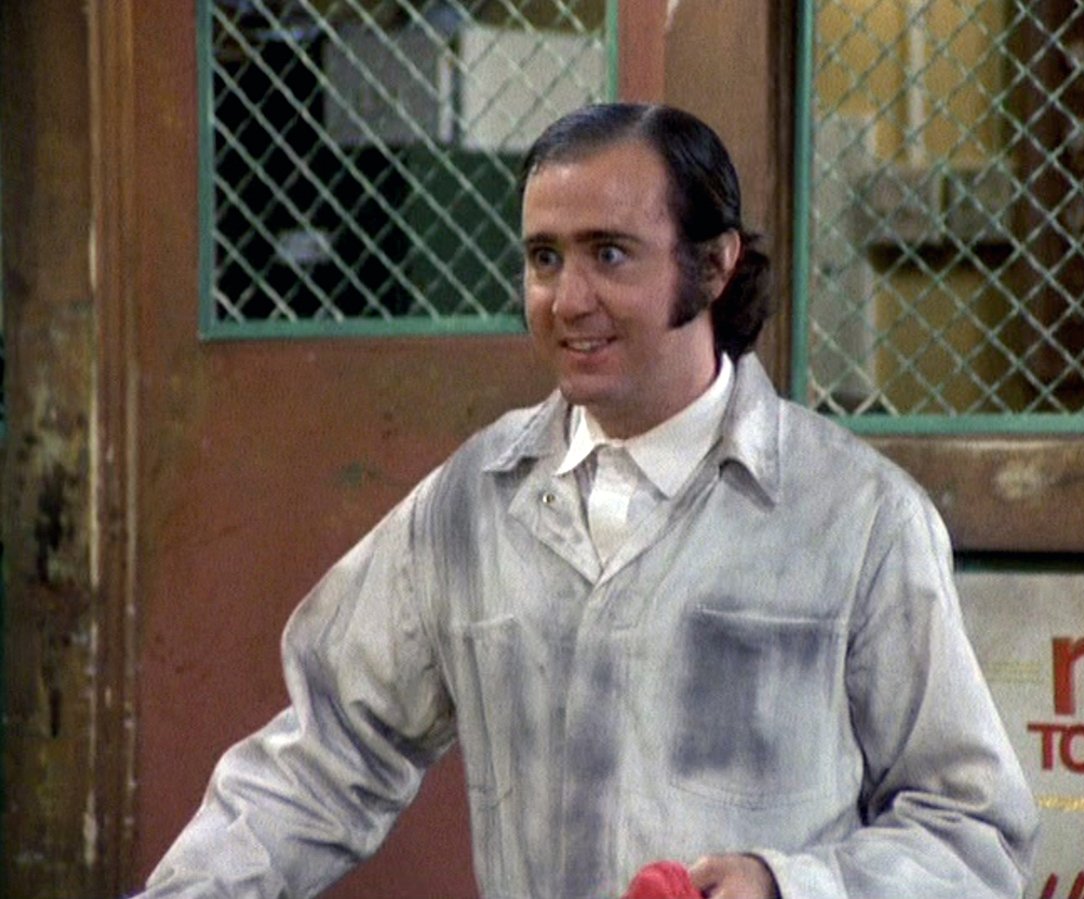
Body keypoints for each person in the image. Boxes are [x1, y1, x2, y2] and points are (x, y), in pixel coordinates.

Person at [138, 103, 1038, 898]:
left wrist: (786, 884)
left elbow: (973, 831)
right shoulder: (470, 508)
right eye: (544, 258)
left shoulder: (858, 518)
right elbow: (325, 755)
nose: (568, 300)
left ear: (713, 264)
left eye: (609, 253)